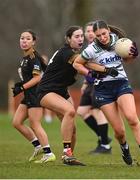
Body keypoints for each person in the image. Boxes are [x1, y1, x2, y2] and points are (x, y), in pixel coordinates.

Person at [73, 20, 140, 166]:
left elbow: (127, 60)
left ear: (108, 30)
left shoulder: (120, 41)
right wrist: (94, 73)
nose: (102, 37)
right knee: (119, 131)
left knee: (132, 118)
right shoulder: (91, 49)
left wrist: (134, 55)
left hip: (121, 83)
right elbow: (77, 64)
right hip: (103, 89)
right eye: (98, 36)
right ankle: (125, 148)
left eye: (104, 34)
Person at [37, 26, 85, 166]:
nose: (80, 38)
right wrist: (104, 66)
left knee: (73, 128)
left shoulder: (73, 52)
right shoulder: (67, 53)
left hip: (61, 90)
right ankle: (66, 153)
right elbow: (82, 62)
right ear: (68, 39)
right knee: (69, 111)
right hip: (46, 91)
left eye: (82, 36)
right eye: (76, 36)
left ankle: (69, 158)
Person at [12, 29, 56, 163]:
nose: (24, 41)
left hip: (35, 94)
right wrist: (22, 84)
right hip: (28, 94)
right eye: (22, 38)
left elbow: (37, 79)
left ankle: (49, 153)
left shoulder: (33, 58)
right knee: (16, 122)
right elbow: (30, 77)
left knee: (35, 124)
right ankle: (38, 146)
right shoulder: (25, 58)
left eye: (27, 39)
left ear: (33, 42)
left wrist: (22, 87)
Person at [77, 21, 112, 154]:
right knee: (81, 112)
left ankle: (105, 146)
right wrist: (85, 83)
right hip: (90, 84)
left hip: (100, 83)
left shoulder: (101, 47)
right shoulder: (88, 48)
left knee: (98, 112)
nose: (89, 33)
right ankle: (104, 137)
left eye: (92, 31)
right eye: (87, 31)